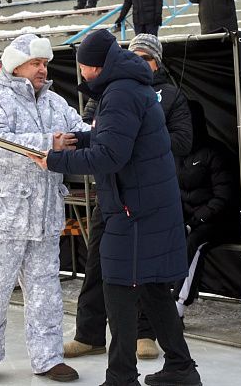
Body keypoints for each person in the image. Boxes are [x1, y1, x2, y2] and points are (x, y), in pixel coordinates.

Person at [28, 29, 201, 386]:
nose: (83, 75)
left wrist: (55, 160)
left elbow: (110, 155)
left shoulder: (120, 92)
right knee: (153, 290)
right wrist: (82, 139)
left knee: (119, 289)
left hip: (133, 210)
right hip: (146, 204)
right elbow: (121, 137)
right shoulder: (129, 86)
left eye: (83, 68)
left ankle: (121, 376)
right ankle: (182, 368)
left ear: (95, 66)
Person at [0, 34, 88, 384]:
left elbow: (78, 129)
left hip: (45, 216)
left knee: (46, 293)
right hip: (1, 217)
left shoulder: (53, 102)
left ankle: (48, 358)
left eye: (45, 63)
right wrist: (48, 142)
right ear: (14, 65)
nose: (42, 69)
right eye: (36, 63)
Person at [64, 33, 193, 362]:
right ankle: (89, 333)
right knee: (100, 267)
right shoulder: (107, 91)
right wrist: (81, 139)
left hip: (141, 196)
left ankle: (142, 339)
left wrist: (135, 139)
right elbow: (96, 129)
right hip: (111, 193)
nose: (139, 62)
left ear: (156, 63)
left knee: (142, 276)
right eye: (134, 55)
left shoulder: (162, 95)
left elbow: (178, 141)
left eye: (145, 57)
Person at [172, 102, 238, 320]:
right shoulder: (175, 151)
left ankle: (178, 307)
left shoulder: (214, 152)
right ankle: (153, 303)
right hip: (187, 217)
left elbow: (224, 198)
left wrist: (195, 221)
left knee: (194, 241)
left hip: (218, 222)